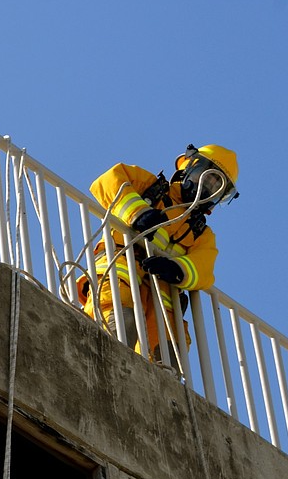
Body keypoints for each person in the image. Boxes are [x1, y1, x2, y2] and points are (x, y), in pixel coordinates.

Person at [78, 144, 238, 361]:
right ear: (189, 167)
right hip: (121, 270)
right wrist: (138, 213)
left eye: (216, 186)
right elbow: (109, 180)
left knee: (167, 356)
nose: (207, 187)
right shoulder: (151, 188)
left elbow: (204, 268)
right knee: (119, 323)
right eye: (206, 177)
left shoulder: (201, 233)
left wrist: (177, 269)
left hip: (161, 296)